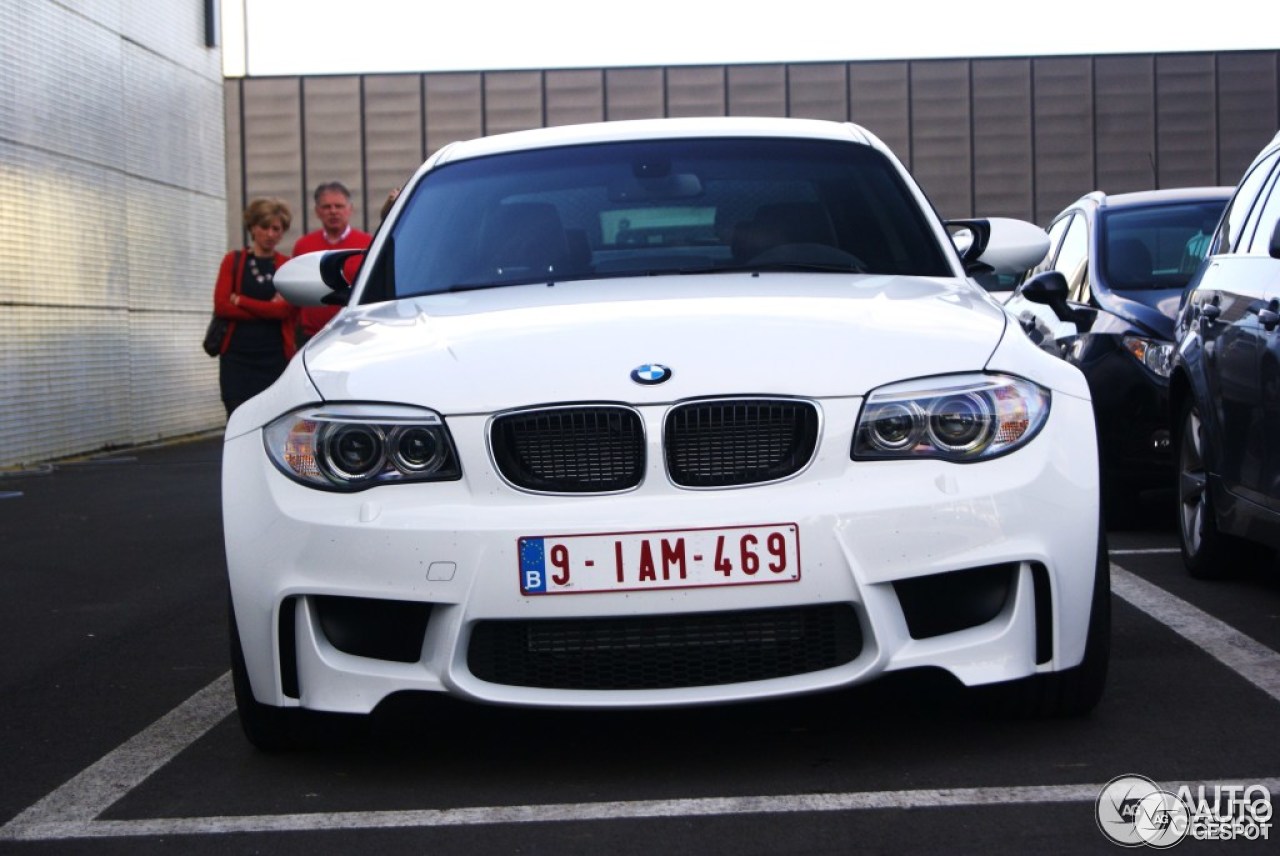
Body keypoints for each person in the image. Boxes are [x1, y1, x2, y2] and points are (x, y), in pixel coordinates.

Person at [212, 198, 297, 416]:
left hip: (274, 357)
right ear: (252, 228)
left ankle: (296, 453)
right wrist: (267, 310)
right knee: (237, 417)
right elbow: (222, 307)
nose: (270, 234)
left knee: (277, 416)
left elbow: (284, 311)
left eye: (276, 229)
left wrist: (241, 301)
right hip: (237, 357)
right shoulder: (233, 261)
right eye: (264, 227)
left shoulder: (286, 265)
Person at [292, 181, 372, 342]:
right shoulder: (303, 246)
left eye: (339, 206)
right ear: (317, 211)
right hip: (312, 336)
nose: (333, 211)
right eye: (327, 207)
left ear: (350, 209)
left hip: (355, 333)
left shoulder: (368, 244)